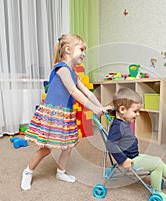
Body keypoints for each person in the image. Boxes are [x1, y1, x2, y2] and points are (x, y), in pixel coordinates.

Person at [21, 34, 111, 191]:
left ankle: (61, 172)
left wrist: (100, 107)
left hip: (65, 114)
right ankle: (28, 171)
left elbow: (87, 93)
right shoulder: (62, 68)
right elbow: (73, 91)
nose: (84, 53)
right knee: (46, 149)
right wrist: (94, 109)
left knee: (68, 146)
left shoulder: (73, 73)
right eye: (81, 49)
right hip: (53, 115)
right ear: (68, 49)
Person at [106, 88, 166, 201]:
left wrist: (113, 109)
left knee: (158, 163)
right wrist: (123, 160)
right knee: (156, 164)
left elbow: (120, 111)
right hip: (130, 159)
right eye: (135, 111)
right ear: (122, 110)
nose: (138, 114)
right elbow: (110, 144)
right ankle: (157, 192)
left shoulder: (121, 120)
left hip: (134, 155)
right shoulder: (117, 126)